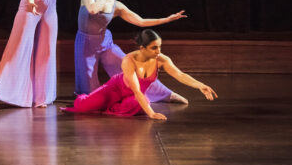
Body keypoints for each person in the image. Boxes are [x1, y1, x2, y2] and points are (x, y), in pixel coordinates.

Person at [75, 0, 188, 104]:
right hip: (86, 44)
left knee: (131, 66)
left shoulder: (117, 6)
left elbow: (141, 21)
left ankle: (165, 94)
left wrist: (167, 19)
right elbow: (93, 9)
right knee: (91, 96)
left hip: (105, 42)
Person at [64, 29, 218, 119]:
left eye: (160, 47)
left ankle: (111, 108)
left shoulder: (161, 60)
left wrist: (200, 85)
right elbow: (136, 89)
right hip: (114, 90)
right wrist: (151, 114)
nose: (159, 51)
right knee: (83, 107)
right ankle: (99, 102)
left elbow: (179, 74)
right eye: (154, 48)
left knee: (141, 102)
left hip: (133, 96)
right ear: (142, 48)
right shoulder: (129, 60)